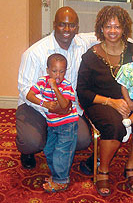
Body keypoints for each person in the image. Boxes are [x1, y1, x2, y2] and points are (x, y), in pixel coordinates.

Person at [77, 6, 133, 197]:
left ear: (124, 28)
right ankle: (103, 169)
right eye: (108, 26)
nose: (112, 31)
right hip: (101, 103)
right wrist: (111, 102)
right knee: (114, 126)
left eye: (117, 26)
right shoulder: (91, 56)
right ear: (101, 28)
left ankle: (130, 167)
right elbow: (82, 91)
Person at [16, 6, 98, 170]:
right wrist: (46, 105)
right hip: (37, 106)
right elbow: (25, 89)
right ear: (54, 25)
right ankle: (30, 148)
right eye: (62, 24)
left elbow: (106, 36)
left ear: (77, 27)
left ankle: (52, 134)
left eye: (72, 25)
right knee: (31, 142)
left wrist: (131, 44)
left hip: (67, 106)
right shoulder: (35, 52)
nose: (67, 29)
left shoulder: (82, 43)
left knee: (83, 140)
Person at [26, 53, 78, 192]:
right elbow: (29, 95)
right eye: (54, 71)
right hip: (53, 124)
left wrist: (55, 88)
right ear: (48, 70)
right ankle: (57, 176)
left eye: (62, 71)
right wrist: (45, 103)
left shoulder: (66, 85)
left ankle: (61, 180)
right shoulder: (42, 81)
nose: (58, 75)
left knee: (61, 153)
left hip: (68, 125)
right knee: (49, 150)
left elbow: (64, 105)